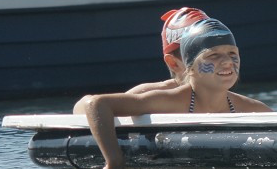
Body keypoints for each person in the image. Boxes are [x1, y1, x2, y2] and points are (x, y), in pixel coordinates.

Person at [83, 18, 272, 169]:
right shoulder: (171, 100)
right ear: (189, 66)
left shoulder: (250, 107)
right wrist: (114, 163)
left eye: (232, 53)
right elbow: (97, 104)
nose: (227, 62)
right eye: (213, 55)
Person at [73, 7, 210, 113]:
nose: (219, 60)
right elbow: (83, 107)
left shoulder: (226, 97)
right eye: (199, 51)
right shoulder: (152, 94)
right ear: (174, 63)